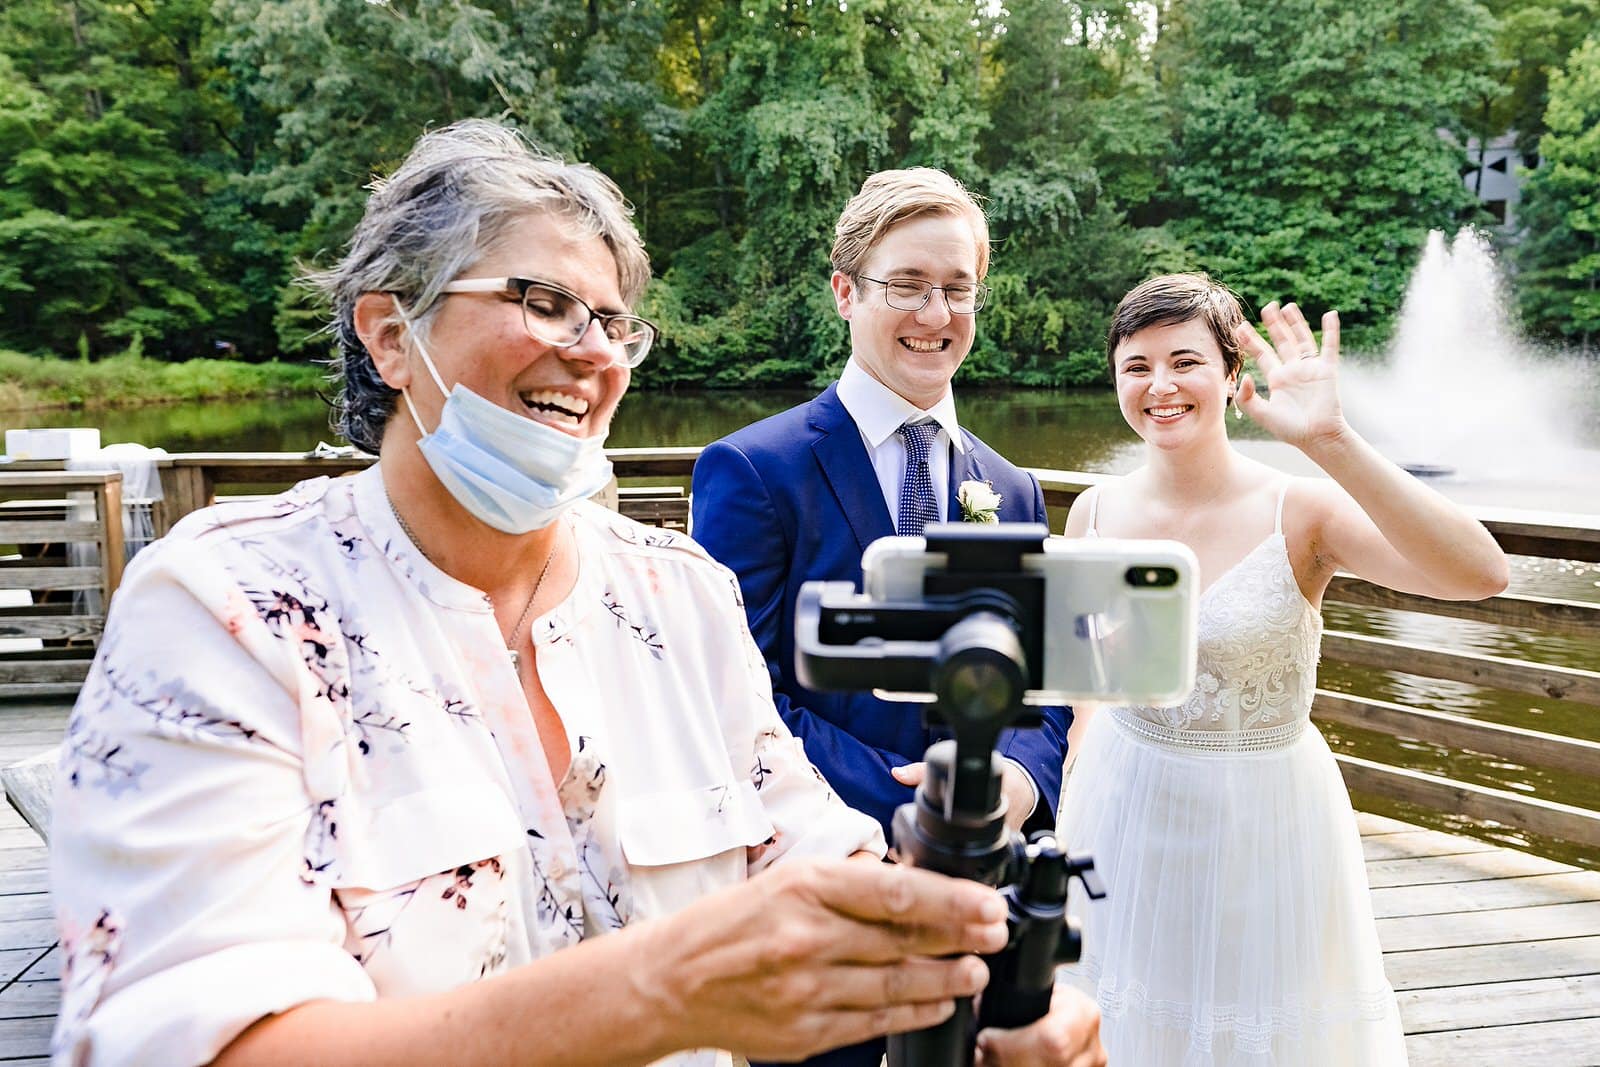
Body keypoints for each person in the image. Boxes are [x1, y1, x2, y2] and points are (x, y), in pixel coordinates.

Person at [48, 121, 1104, 1067]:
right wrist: (662, 990)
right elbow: (185, 1038)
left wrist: (988, 989)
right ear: (389, 333)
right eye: (543, 303)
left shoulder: (679, 597)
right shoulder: (228, 609)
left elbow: (820, 858)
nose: (593, 351)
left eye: (612, 320)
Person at [1055, 273, 1510, 1065]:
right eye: (1137, 366)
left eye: (1185, 362)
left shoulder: (1300, 512)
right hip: (1123, 805)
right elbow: (1096, 670)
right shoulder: (1095, 510)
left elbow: (1481, 572)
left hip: (1262, 817)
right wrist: (1079, 762)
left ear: (1233, 375)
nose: (1161, 385)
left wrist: (1332, 443)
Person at [691, 168, 1071, 846]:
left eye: (958, 288)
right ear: (846, 292)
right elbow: (732, 691)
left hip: (984, 859)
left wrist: (1015, 778)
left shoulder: (1012, 489)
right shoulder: (754, 470)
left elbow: (1038, 680)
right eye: (906, 284)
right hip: (821, 850)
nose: (936, 314)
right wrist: (916, 804)